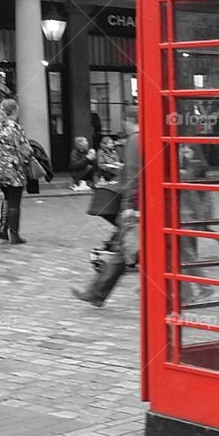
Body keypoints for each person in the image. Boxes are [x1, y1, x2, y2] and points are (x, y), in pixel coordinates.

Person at [72, 107, 139, 307]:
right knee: (122, 250)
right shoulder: (140, 138)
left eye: (124, 121)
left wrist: (128, 205)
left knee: (125, 249)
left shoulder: (134, 140)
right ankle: (97, 293)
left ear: (129, 120)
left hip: (137, 206)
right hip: (146, 204)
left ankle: (97, 293)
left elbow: (133, 176)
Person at [0, 98, 32, 244]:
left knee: (7, 197)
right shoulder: (16, 128)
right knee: (14, 201)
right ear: (14, 111)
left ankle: (3, 229)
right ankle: (14, 235)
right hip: (13, 168)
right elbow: (25, 149)